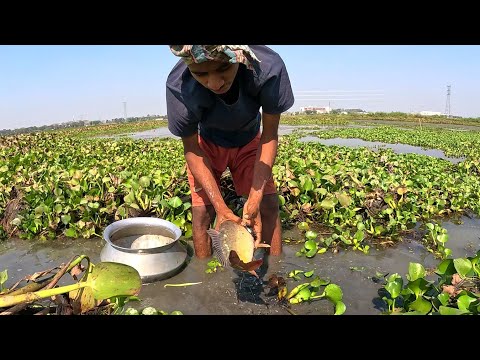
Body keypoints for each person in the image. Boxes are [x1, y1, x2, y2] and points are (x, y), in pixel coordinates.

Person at [166, 45, 294, 259]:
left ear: (238, 57)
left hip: (250, 138)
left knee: (269, 204)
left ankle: (275, 274)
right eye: (201, 74)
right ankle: (206, 279)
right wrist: (221, 208)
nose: (214, 83)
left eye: (223, 68)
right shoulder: (178, 87)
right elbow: (192, 149)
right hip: (206, 144)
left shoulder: (268, 68)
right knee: (201, 213)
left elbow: (269, 135)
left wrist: (255, 196)